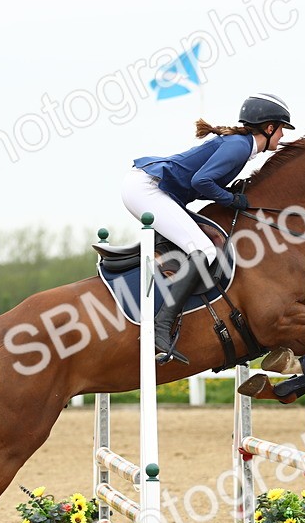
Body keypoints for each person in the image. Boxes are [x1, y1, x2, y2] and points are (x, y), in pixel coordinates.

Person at [122, 93, 294, 364]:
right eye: (282, 129)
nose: (282, 135)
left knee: (201, 243)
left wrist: (228, 193)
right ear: (269, 128)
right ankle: (161, 326)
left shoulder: (241, 146)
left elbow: (200, 183)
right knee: (204, 250)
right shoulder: (239, 146)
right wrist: (230, 199)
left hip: (150, 188)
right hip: (147, 189)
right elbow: (201, 182)